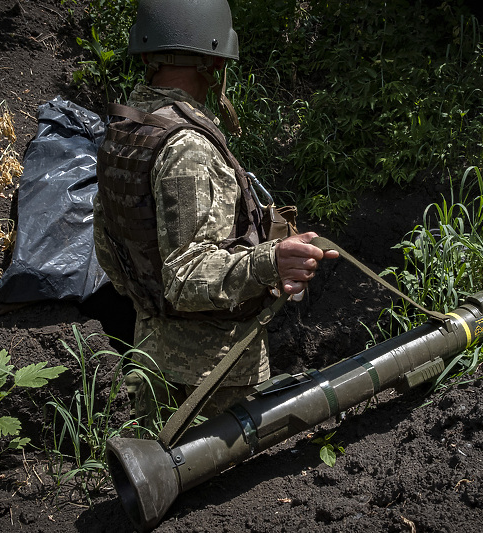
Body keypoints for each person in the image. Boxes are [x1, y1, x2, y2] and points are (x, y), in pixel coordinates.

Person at [92, 0, 337, 428]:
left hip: (150, 356)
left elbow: (109, 250)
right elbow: (185, 275)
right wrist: (270, 261)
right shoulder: (186, 146)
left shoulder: (129, 131)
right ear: (212, 59)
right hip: (212, 379)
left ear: (146, 54)